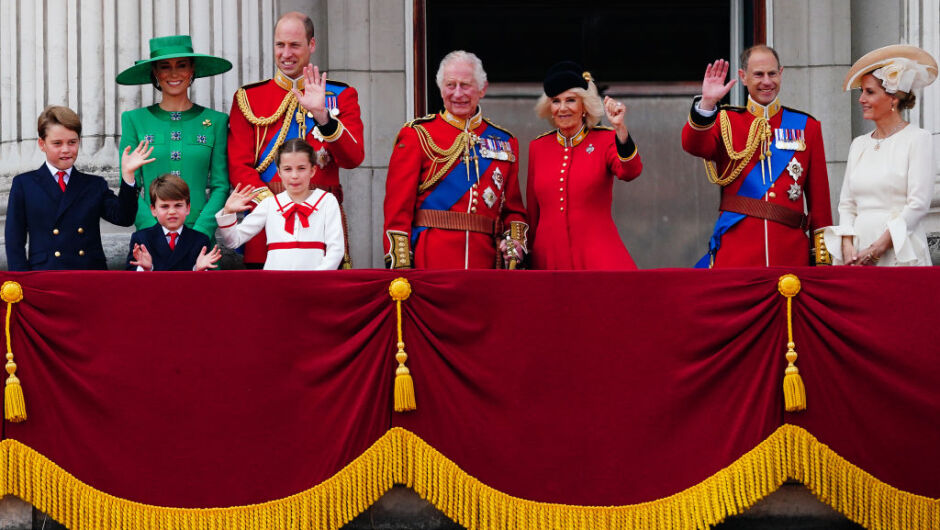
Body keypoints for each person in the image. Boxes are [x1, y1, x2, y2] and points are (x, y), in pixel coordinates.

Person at [227, 11, 363, 269]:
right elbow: (238, 166)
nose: (286, 53)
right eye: (280, 45)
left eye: (294, 45)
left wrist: (323, 116)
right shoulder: (249, 98)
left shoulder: (341, 95)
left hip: (322, 224)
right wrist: (276, 208)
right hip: (267, 228)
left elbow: (353, 159)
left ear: (311, 45)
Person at [682, 45, 833, 267]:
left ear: (781, 74)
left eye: (772, 74)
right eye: (758, 74)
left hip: (790, 254)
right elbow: (693, 145)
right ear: (743, 77)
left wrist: (821, 258)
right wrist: (707, 104)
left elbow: (819, 201)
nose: (767, 82)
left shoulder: (807, 126)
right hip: (737, 255)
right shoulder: (726, 121)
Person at [383, 50, 527, 269]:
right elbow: (397, 210)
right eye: (451, 85)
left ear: (482, 89)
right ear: (441, 89)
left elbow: (513, 210)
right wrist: (401, 266)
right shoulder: (418, 135)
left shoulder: (505, 142)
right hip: (431, 260)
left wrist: (515, 244)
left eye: (465, 85)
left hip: (485, 262)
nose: (457, 93)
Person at [823, 45, 938, 266]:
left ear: (893, 99)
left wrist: (876, 249)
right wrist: (848, 246)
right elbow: (846, 204)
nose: (861, 99)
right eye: (862, 92)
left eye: (870, 92)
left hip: (899, 250)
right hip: (857, 252)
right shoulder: (859, 144)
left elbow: (918, 205)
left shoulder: (918, 139)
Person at [526, 62, 643, 270]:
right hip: (548, 260)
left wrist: (620, 129)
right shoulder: (538, 147)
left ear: (584, 107)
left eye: (570, 100)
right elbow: (533, 213)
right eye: (556, 101)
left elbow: (630, 171)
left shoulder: (605, 139)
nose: (562, 108)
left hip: (598, 256)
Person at [116, 35, 232, 240]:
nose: (174, 73)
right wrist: (152, 231)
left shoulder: (216, 121)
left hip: (200, 241)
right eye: (165, 66)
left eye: (181, 65)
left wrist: (201, 231)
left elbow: (220, 185)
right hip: (151, 242)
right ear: (155, 72)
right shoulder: (134, 120)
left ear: (192, 69)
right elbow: (129, 183)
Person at [5, 106, 140, 270]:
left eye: (72, 142)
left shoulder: (94, 184)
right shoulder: (24, 184)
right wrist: (20, 281)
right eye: (57, 143)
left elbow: (124, 218)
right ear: (42, 144)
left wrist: (128, 176)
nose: (66, 150)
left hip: (88, 275)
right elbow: (14, 239)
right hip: (45, 275)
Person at [215, 138, 344, 270]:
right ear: (279, 172)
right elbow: (233, 241)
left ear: (312, 170)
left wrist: (317, 279)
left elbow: (336, 249)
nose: (294, 175)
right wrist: (228, 212)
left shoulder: (327, 201)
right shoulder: (270, 204)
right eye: (287, 169)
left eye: (301, 168)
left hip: (315, 283)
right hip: (275, 283)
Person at [126, 175, 223, 271]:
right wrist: (146, 268)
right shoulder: (141, 239)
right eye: (164, 206)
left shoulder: (200, 240)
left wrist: (197, 270)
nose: (172, 211)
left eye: (178, 205)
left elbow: (208, 283)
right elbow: (129, 279)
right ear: (153, 210)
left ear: (188, 208)